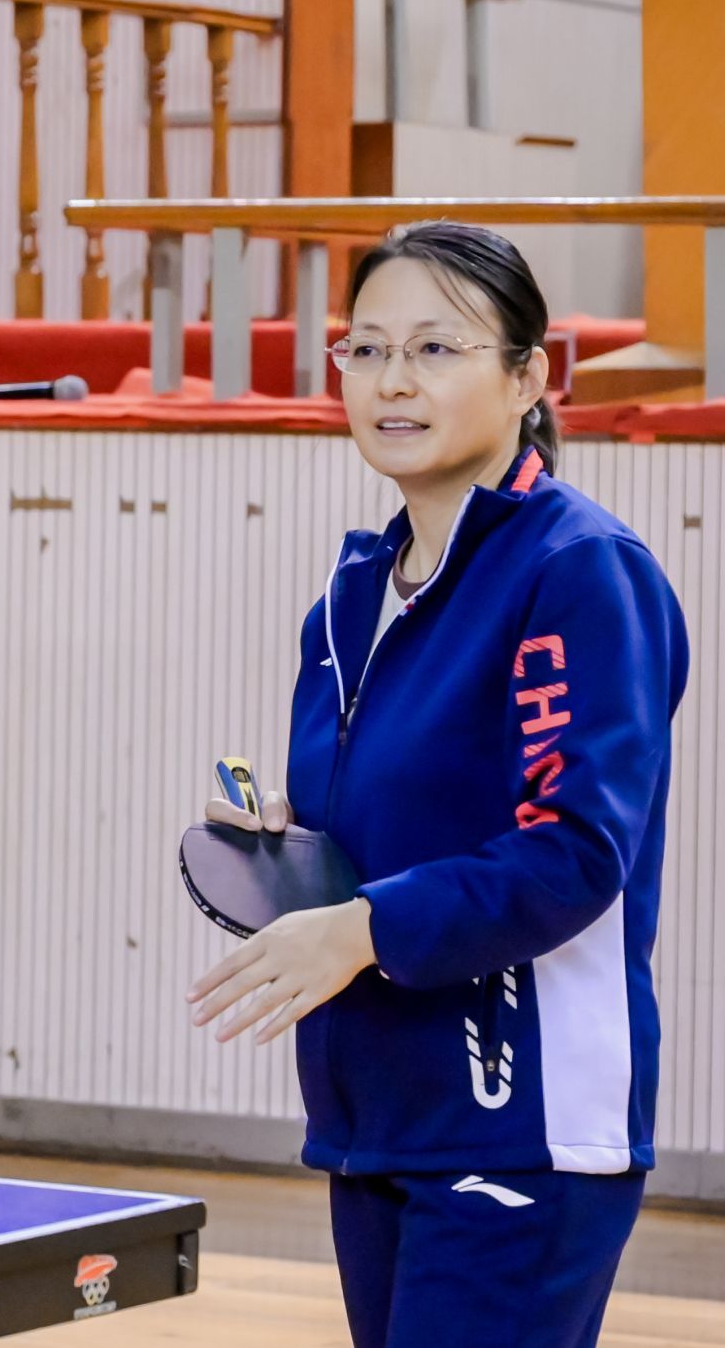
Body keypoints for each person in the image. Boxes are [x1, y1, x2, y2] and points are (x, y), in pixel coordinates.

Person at [186, 222, 688, 1347]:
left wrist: (360, 928)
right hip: (377, 1110)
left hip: (523, 1124)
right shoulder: (354, 594)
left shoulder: (576, 570)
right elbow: (397, 824)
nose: (392, 380)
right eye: (364, 350)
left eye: (433, 348)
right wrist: (288, 846)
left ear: (526, 377)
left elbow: (574, 851)